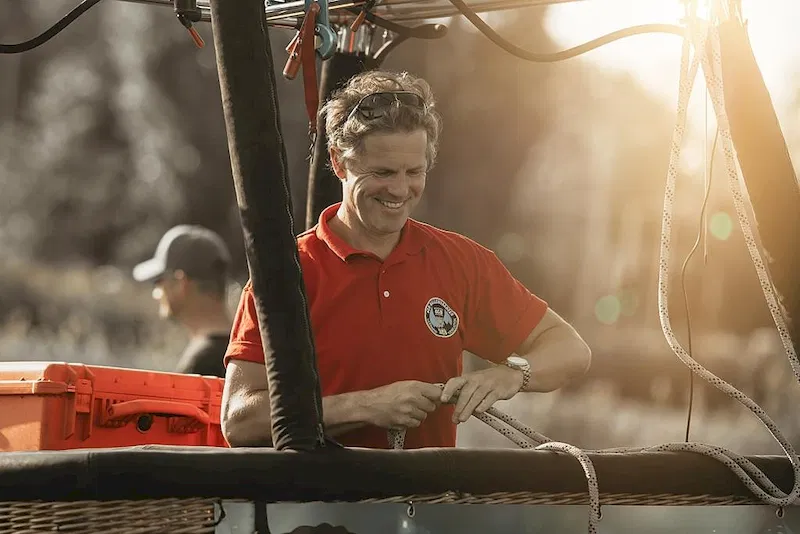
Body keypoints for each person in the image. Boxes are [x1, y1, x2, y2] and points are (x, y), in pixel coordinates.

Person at [221, 70, 591, 449]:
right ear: (339, 162)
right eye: (383, 172)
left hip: (430, 490)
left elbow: (570, 349)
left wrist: (511, 374)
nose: (399, 190)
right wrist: (365, 406)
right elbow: (239, 419)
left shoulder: (461, 262)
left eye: (414, 172)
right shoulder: (288, 273)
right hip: (318, 490)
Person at [133, 224, 233, 378]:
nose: (156, 294)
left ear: (181, 284)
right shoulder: (248, 351)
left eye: (158, 282)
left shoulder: (201, 363)